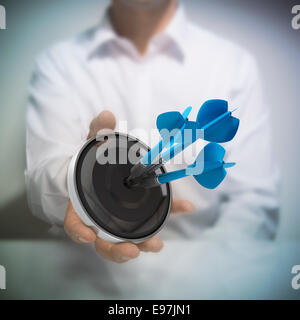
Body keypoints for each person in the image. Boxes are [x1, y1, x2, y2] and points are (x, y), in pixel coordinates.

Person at [25, 0, 280, 264]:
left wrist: (202, 272)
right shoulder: (59, 63)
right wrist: (76, 182)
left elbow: (255, 201)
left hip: (200, 277)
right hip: (78, 275)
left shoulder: (234, 65)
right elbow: (40, 179)